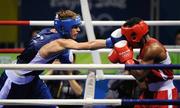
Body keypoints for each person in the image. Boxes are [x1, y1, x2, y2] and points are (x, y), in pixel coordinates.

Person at [0, 9, 125, 108]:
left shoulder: (48, 31)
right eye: (75, 27)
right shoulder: (59, 43)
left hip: (33, 79)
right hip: (14, 79)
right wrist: (111, 41)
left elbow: (65, 58)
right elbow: (88, 45)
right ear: (65, 27)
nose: (78, 30)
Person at [108, 17, 178, 108]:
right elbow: (142, 82)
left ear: (134, 36)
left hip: (164, 93)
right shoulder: (144, 49)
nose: (126, 41)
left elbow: (139, 75)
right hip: (148, 92)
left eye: (126, 37)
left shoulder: (153, 48)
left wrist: (126, 59)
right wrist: (126, 60)